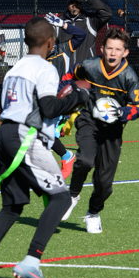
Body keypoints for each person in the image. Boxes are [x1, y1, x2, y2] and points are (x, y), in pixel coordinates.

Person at [0, 17, 90, 278]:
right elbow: (49, 107)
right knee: (61, 198)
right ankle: (32, 261)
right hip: (25, 137)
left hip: (4, 134)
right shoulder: (45, 68)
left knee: (12, 207)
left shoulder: (15, 68)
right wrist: (77, 98)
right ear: (50, 43)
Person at [61, 27, 139, 233]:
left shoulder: (129, 77)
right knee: (85, 160)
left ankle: (93, 213)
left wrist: (122, 112)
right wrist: (66, 94)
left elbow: (138, 108)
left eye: (118, 49)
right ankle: (72, 195)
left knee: (104, 183)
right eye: (109, 48)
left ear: (125, 53)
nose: (112, 53)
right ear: (102, 49)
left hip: (112, 131)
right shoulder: (89, 65)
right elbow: (68, 77)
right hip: (88, 120)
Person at [45, 14, 86, 179]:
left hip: (61, 100)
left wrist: (63, 24)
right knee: (43, 136)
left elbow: (81, 35)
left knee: (45, 134)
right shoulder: (37, 57)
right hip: (45, 100)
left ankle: (66, 157)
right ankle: (62, 158)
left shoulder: (63, 49)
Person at [54, 0, 113, 68]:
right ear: (67, 4)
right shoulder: (59, 22)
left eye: (77, 3)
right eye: (72, 3)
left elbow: (107, 13)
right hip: (65, 70)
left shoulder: (90, 20)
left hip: (86, 69)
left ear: (81, 4)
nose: (74, 6)